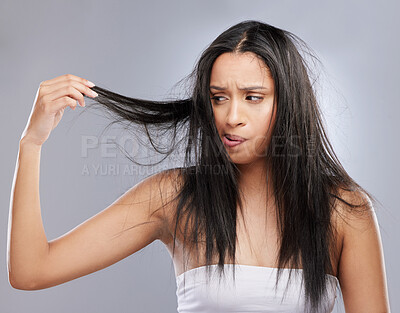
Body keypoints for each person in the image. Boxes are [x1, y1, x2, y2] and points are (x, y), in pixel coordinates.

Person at [7, 20, 390, 313]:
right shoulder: (174, 198)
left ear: (288, 103)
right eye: (218, 98)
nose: (231, 116)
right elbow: (31, 270)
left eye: (253, 97)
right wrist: (31, 143)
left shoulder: (344, 210)